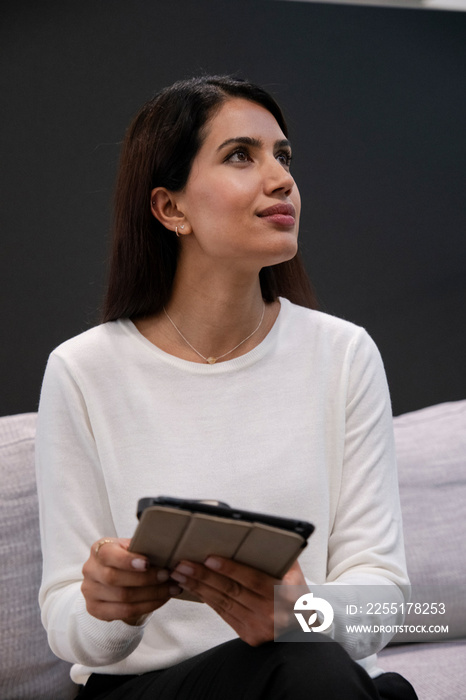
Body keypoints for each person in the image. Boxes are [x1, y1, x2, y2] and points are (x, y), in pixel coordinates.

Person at [36, 75, 417, 699]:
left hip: (309, 674)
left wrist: (303, 614)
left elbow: (384, 599)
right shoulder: (83, 370)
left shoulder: (344, 354)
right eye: (242, 155)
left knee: (315, 667)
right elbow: (66, 623)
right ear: (170, 208)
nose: (281, 179)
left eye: (283, 156)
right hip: (151, 691)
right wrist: (114, 609)